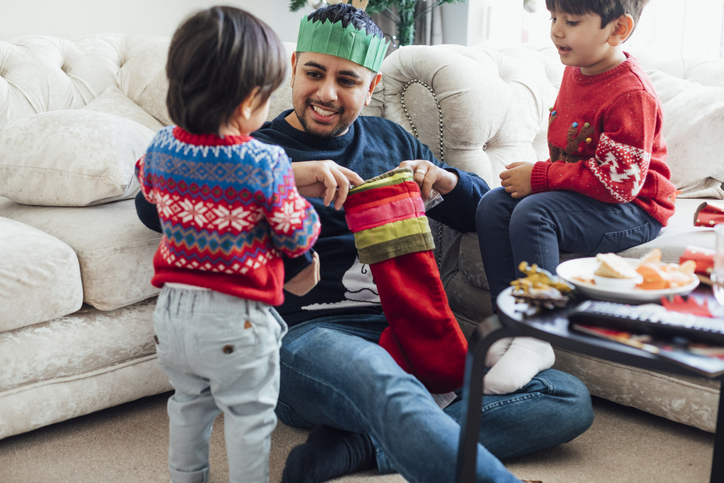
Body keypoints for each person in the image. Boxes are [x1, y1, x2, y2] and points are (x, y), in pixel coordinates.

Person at [136, 4, 594, 483]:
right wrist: (285, 177)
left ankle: (360, 448)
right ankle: (428, 446)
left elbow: (481, 209)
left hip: (408, 329)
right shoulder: (256, 150)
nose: (327, 93)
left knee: (565, 398)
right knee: (381, 379)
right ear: (294, 70)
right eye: (314, 73)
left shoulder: (393, 141)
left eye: (348, 81)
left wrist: (442, 179)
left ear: (371, 87)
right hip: (305, 338)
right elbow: (154, 208)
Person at [134, 7, 321, 483]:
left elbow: (150, 191)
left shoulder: (158, 146)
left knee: (188, 405)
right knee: (249, 416)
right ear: (245, 105)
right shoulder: (264, 161)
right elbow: (295, 233)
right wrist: (305, 209)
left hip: (172, 315)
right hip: (236, 317)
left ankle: (186, 477)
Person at [476, 0, 677, 310]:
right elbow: (571, 154)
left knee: (534, 214)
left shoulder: (631, 94)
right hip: (590, 195)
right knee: (493, 205)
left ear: (617, 29)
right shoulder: (575, 72)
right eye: (554, 18)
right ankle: (509, 316)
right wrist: (540, 176)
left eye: (571, 22)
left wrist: (540, 177)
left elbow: (618, 184)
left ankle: (541, 325)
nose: (556, 30)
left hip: (635, 208)